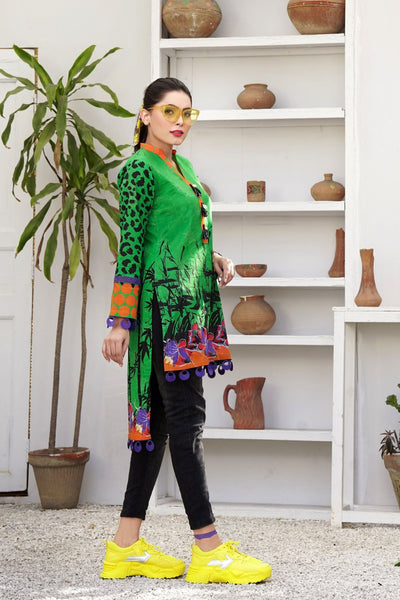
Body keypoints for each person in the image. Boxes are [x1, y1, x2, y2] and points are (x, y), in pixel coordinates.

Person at [101, 77, 272, 585]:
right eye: (169, 112)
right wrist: (119, 321)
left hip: (189, 308)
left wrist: (212, 255)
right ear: (145, 115)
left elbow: (174, 232)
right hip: (164, 315)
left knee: (158, 427)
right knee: (188, 422)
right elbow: (132, 248)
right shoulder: (138, 169)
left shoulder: (182, 166)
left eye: (187, 114)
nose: (179, 122)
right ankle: (209, 548)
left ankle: (125, 547)